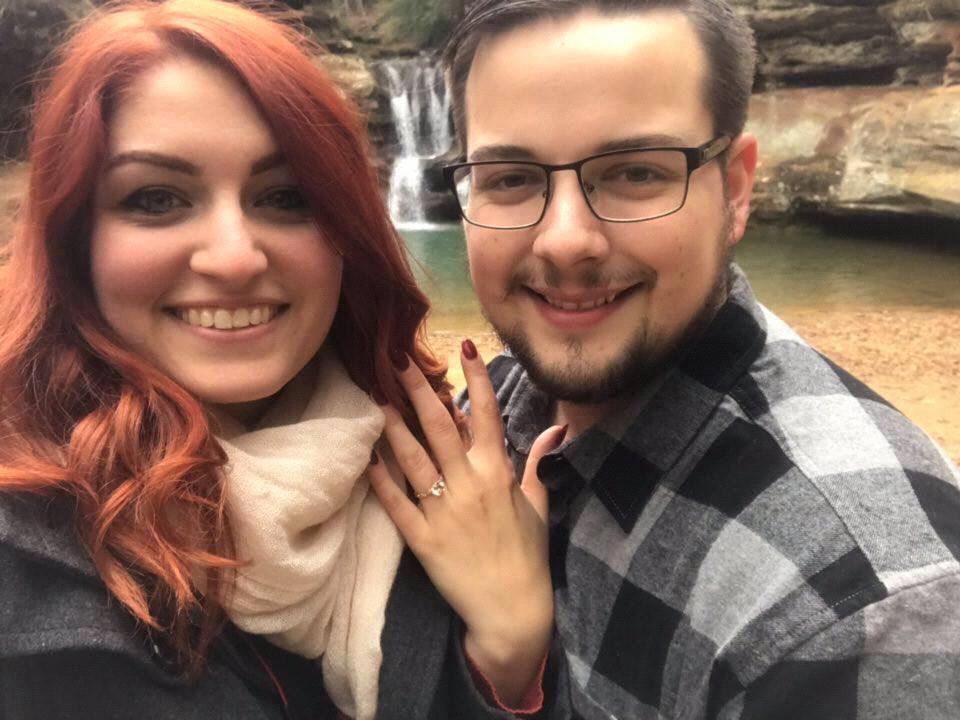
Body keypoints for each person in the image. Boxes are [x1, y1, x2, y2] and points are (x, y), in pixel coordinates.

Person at [370, 1, 960, 718]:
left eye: (635, 172)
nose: (565, 241)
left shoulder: (855, 607)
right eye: (511, 178)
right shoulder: (492, 405)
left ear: (735, 190)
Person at [0, 2, 554, 718]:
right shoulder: (28, 561)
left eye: (286, 196)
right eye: (157, 198)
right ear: (76, 239)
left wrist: (508, 658)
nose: (235, 258)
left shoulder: (425, 461)